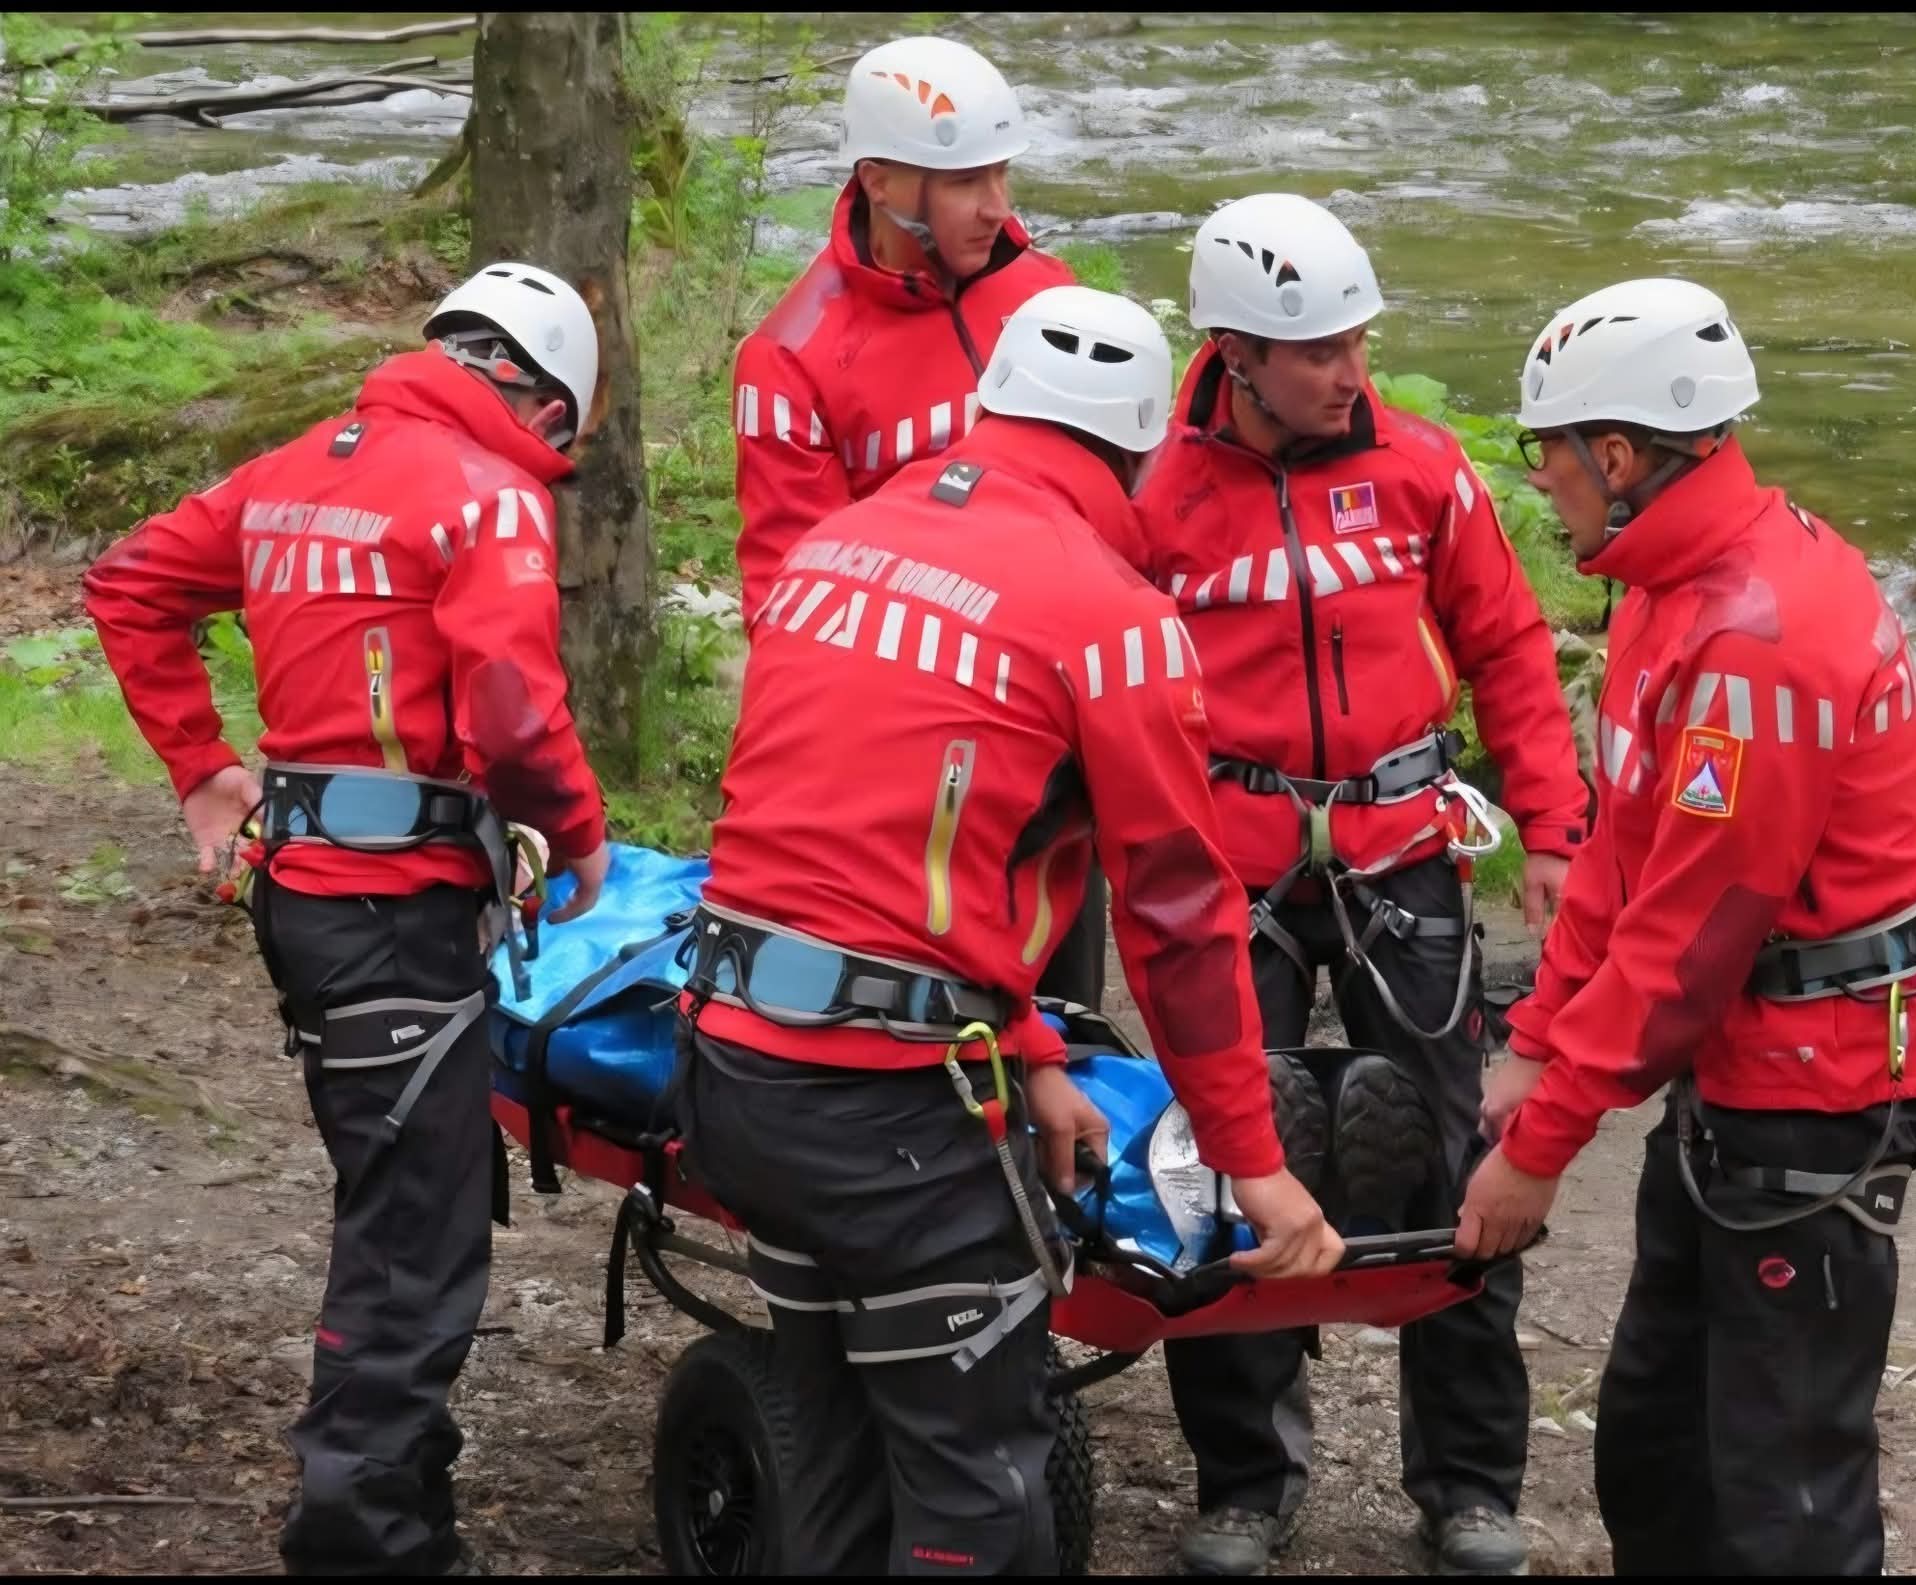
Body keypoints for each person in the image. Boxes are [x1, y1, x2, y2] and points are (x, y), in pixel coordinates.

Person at [678, 284, 1343, 1576]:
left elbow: (878, 846)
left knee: (834, 1451)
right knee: (979, 1498)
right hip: (881, 1115)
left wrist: (1030, 1047)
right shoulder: (1111, 620)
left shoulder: (841, 546)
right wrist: (1251, 1162)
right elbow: (1179, 917)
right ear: (1139, 449)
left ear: (991, 410)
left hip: (731, 1061)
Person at [82, 261, 614, 1577]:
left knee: (407, 1200)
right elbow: (512, 707)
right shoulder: (487, 494)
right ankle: (364, 1537)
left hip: (316, 895)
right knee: (410, 1242)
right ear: (547, 405)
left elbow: (131, 583)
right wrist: (575, 834)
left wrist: (203, 764)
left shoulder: (294, 469)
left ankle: (401, 1506)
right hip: (392, 907)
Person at [1459, 277, 1916, 1576]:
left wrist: (1541, 1144)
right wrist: (1536, 1039)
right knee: (1656, 1443)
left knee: (1780, 1489)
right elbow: (1624, 853)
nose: (1542, 478)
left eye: (1548, 451)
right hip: (1737, 1074)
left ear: (1617, 456)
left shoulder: (1750, 643)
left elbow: (1687, 945)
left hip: (1817, 1085)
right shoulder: (1665, 590)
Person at [1126, 192, 1589, 1577]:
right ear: (1236, 355)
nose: (1350, 370)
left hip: (1402, 852)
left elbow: (1507, 647)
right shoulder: (1152, 493)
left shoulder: (1421, 471)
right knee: (1226, 1160)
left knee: (1454, 1160)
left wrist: (1553, 827)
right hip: (1231, 863)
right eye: (1319, 349)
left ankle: (1468, 1483)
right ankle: (1246, 1482)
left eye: (1357, 340)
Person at [730, 35, 1109, 1011]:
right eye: (966, 181)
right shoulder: (792, 359)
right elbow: (792, 603)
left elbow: (1119, 516)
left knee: (1067, 1032)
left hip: (1056, 752)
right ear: (880, 181)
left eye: (1001, 174)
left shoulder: (1049, 297)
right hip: (913, 781)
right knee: (933, 1051)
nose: (997, 205)